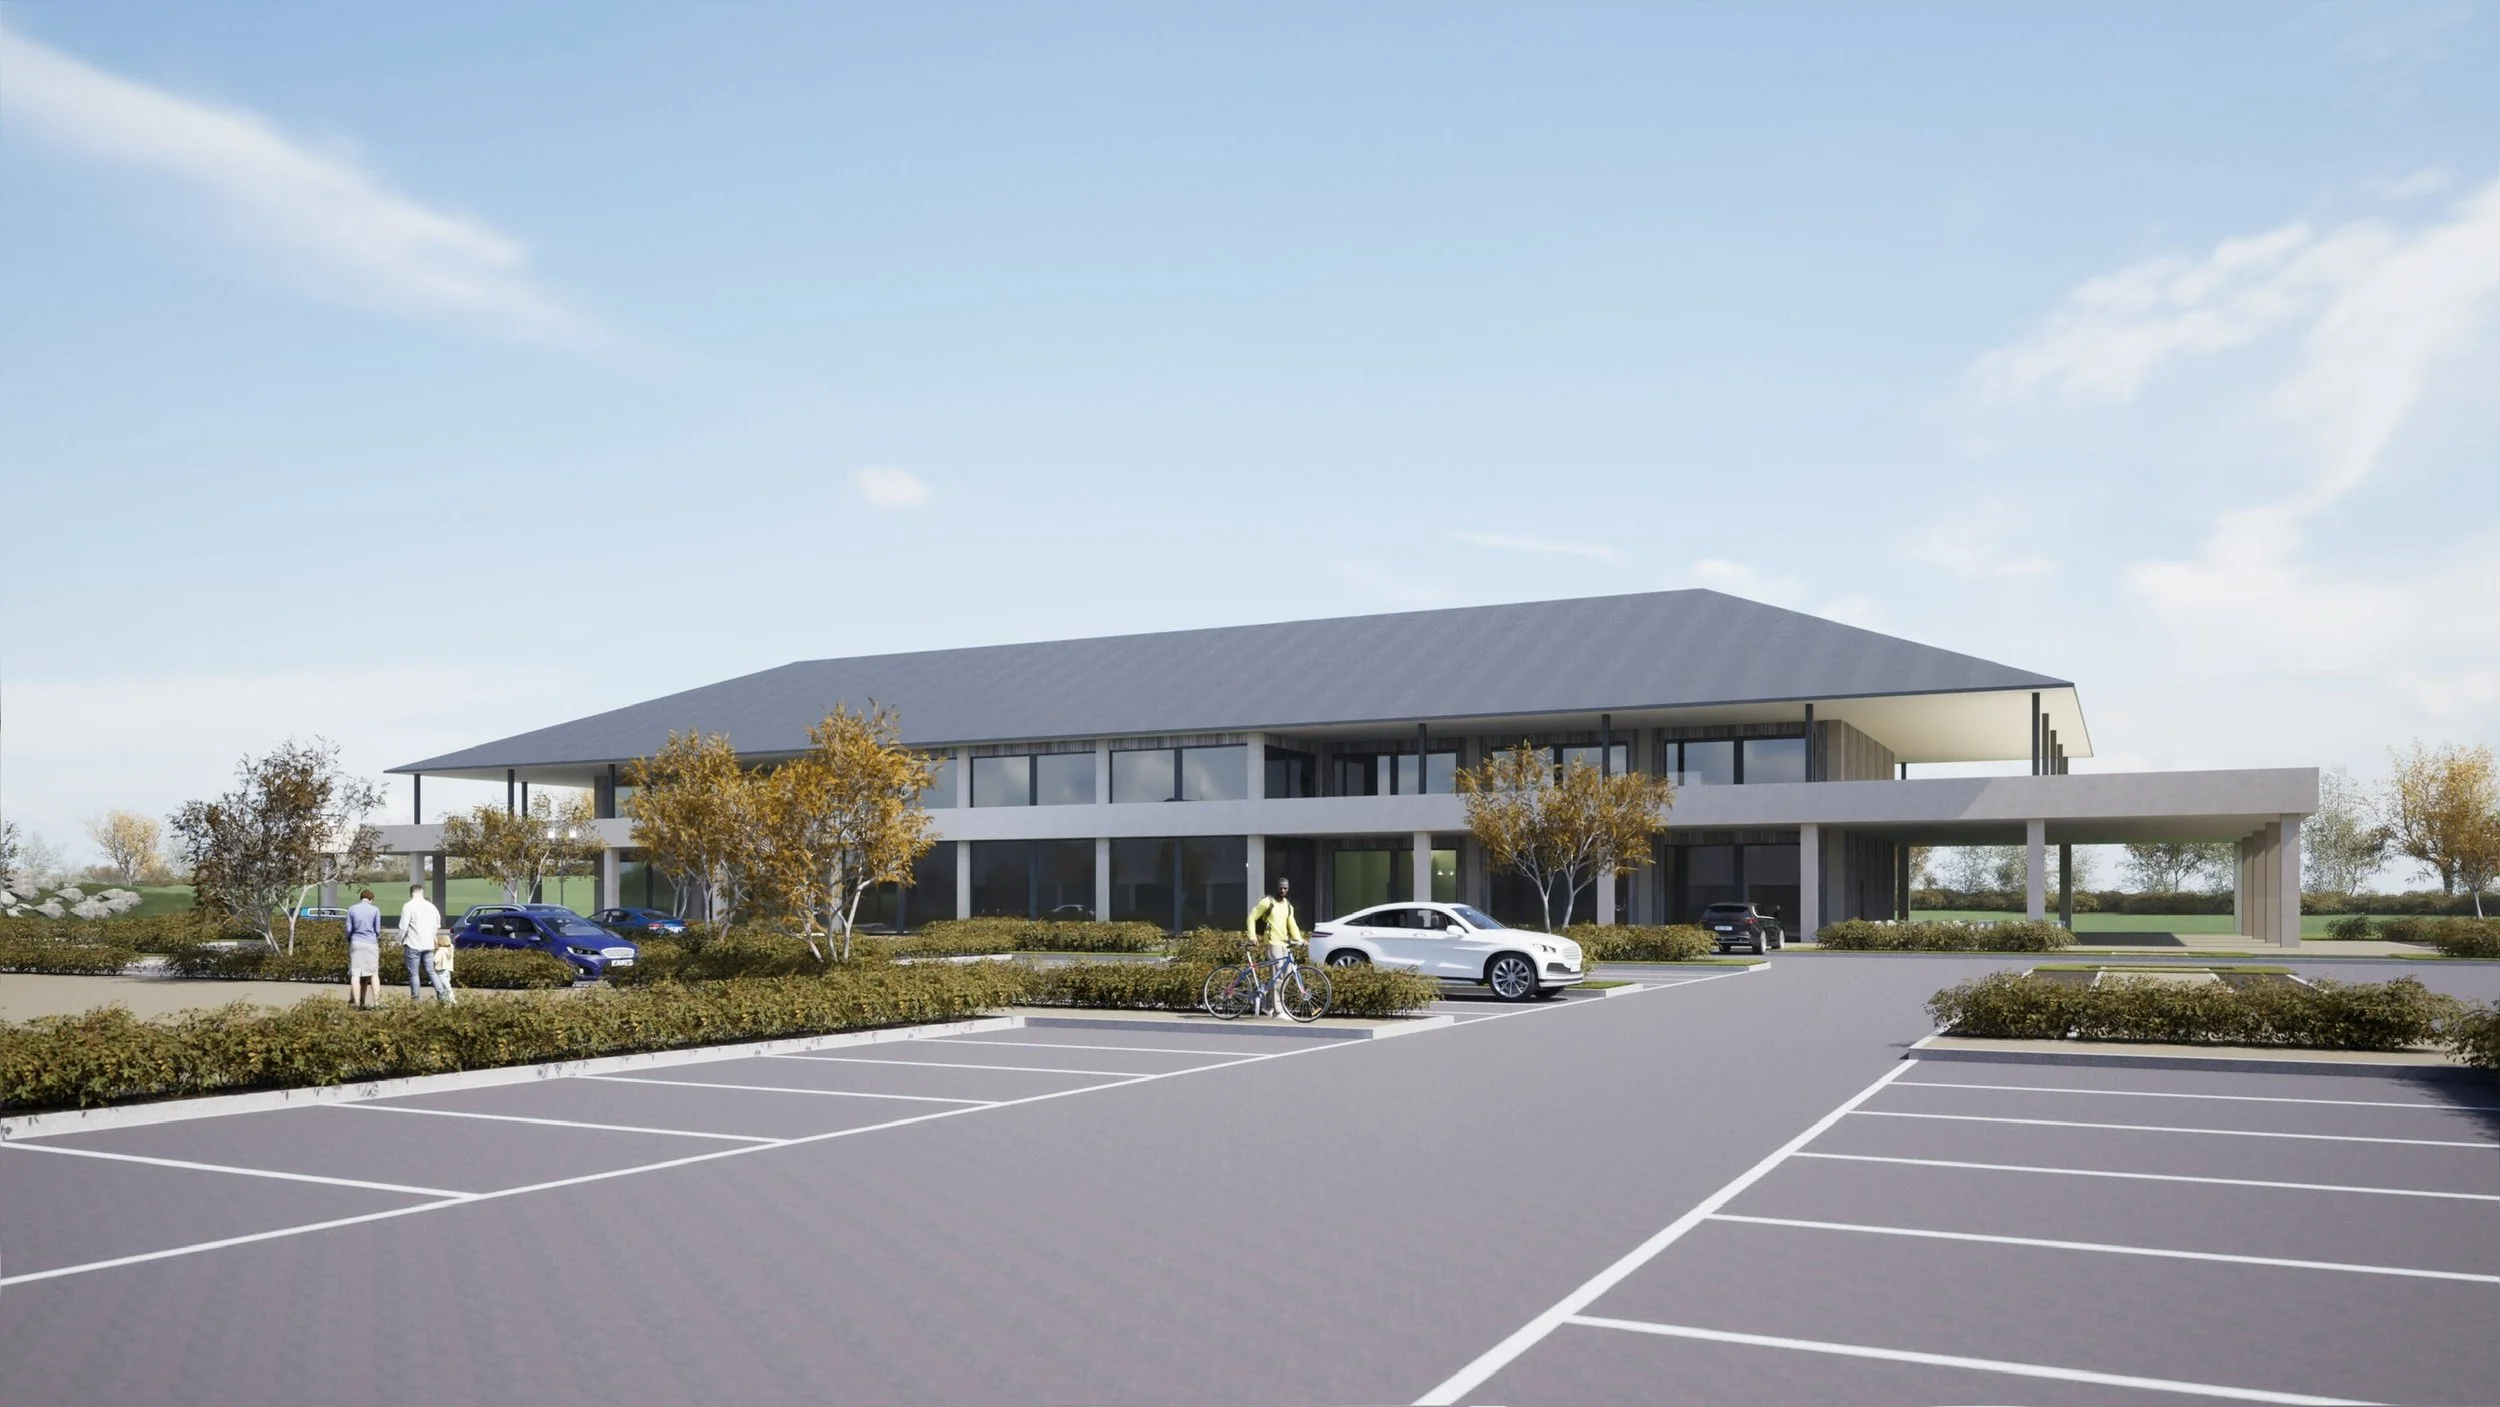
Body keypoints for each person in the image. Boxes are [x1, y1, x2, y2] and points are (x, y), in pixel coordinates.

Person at [1243, 877, 1304, 1017]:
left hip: (1285, 943)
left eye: (1285, 888)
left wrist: (1299, 939)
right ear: (1276, 887)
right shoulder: (1267, 902)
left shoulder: (1288, 905)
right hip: (1272, 943)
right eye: (1280, 887)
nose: (1282, 890)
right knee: (1278, 975)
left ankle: (1268, 1006)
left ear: (1288, 889)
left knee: (1287, 974)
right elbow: (1251, 917)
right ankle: (1278, 1011)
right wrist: (1252, 936)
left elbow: (1292, 924)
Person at [400, 883, 450, 1003]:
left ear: (411, 893)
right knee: (431, 971)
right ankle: (442, 994)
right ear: (422, 892)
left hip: (413, 943)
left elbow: (403, 927)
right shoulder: (432, 907)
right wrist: (432, 937)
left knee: (414, 974)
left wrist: (399, 941)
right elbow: (437, 925)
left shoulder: (408, 906)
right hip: (429, 945)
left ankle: (416, 998)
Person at [344, 888, 384, 1009]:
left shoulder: (351, 909)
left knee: (355, 973)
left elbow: (348, 929)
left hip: (356, 942)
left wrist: (349, 939)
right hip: (371, 943)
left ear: (361, 898)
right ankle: (377, 1002)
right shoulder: (375, 910)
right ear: (371, 899)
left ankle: (356, 1003)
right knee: (373, 973)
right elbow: (377, 929)